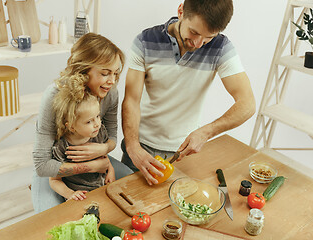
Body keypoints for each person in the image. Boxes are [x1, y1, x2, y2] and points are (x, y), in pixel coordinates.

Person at [121, 0, 256, 185]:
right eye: (194, 32)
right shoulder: (145, 41)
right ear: (181, 11)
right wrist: (133, 147)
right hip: (141, 148)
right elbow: (131, 99)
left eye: (208, 37)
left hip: (186, 153)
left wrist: (206, 132)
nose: (199, 43)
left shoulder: (221, 47)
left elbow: (247, 104)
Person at [32, 33, 133, 213]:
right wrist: (93, 166)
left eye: (115, 73)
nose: (112, 81)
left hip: (98, 160)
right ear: (83, 70)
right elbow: (42, 166)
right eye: (105, 73)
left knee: (133, 185)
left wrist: (103, 151)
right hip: (55, 170)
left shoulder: (110, 93)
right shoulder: (54, 96)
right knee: (50, 221)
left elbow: (112, 135)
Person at [49, 78, 115, 201]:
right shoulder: (62, 147)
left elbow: (104, 157)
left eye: (97, 116)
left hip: (102, 189)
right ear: (72, 126)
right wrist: (70, 194)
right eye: (89, 121)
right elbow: (54, 180)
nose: (97, 124)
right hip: (79, 196)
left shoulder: (99, 132)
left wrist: (110, 171)